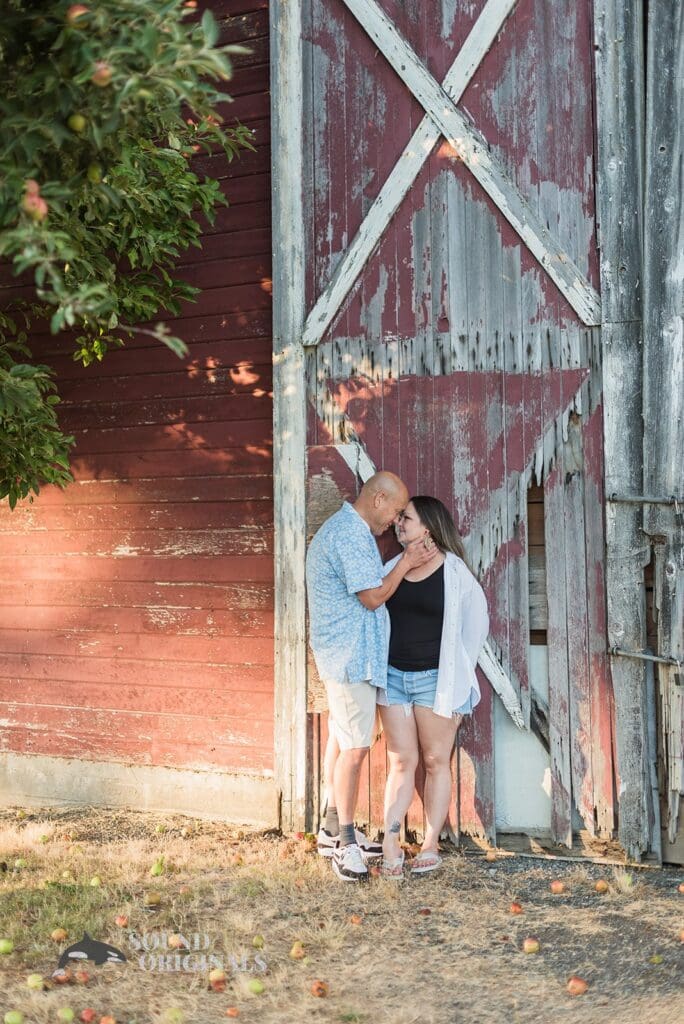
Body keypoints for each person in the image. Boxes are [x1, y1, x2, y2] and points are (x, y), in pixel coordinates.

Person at [305, 472, 436, 882]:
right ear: (378, 499)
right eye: (395, 512)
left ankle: (331, 829)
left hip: (352, 658)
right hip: (349, 659)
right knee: (356, 750)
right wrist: (409, 562)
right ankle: (345, 847)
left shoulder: (352, 532)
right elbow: (373, 595)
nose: (395, 523)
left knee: (343, 742)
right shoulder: (348, 532)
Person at [377, 496, 489, 879]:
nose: (398, 523)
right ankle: (391, 841)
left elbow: (475, 627)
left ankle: (429, 844)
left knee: (435, 761)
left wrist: (458, 682)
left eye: (406, 518)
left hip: (434, 683)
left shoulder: (454, 573)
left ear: (427, 527)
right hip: (393, 679)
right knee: (401, 762)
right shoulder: (393, 566)